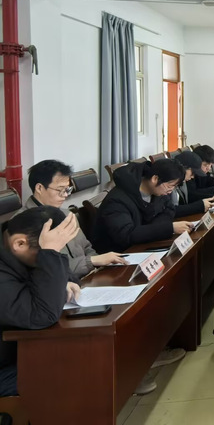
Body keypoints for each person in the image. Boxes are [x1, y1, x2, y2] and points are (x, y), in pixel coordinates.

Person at [0, 206, 78, 396]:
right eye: (44, 253)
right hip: (5, 366)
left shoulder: (19, 247)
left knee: (82, 358)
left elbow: (70, 278)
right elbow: (41, 315)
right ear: (19, 244)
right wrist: (49, 255)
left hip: (18, 351)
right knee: (72, 372)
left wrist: (51, 257)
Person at [21, 160, 126, 277]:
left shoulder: (67, 214)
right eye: (60, 190)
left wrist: (98, 266)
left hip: (89, 276)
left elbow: (87, 248)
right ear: (39, 188)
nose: (65, 195)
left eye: (67, 190)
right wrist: (92, 261)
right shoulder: (24, 225)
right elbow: (46, 269)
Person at [91, 159, 194, 254]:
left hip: (144, 245)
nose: (171, 191)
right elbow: (126, 235)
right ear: (155, 179)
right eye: (170, 186)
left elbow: (169, 209)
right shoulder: (117, 201)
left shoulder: (157, 191)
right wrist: (169, 228)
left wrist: (156, 228)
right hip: (119, 254)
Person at [172, 151, 214, 218]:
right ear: (183, 168)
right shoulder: (168, 185)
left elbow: (188, 199)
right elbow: (172, 210)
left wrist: (211, 198)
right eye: (192, 173)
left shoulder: (183, 181)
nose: (193, 177)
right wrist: (200, 206)